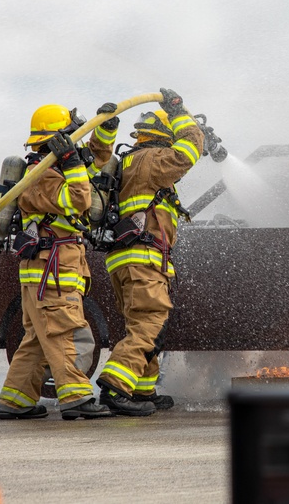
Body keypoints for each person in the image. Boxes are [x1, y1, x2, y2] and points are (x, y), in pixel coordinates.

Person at [0, 103, 120, 421]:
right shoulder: (39, 176)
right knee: (67, 333)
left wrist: (105, 130)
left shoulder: (54, 171)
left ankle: (15, 400)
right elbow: (80, 199)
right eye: (68, 137)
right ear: (56, 139)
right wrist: (71, 162)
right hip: (51, 272)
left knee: (38, 340)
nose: (73, 146)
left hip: (48, 271)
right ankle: (76, 397)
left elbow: (95, 166)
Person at [96, 88, 204, 416]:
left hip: (126, 258)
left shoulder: (128, 162)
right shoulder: (153, 161)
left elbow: (99, 156)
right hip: (143, 258)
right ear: (163, 136)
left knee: (142, 324)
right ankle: (116, 387)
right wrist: (180, 114)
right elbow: (188, 152)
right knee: (151, 321)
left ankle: (142, 390)